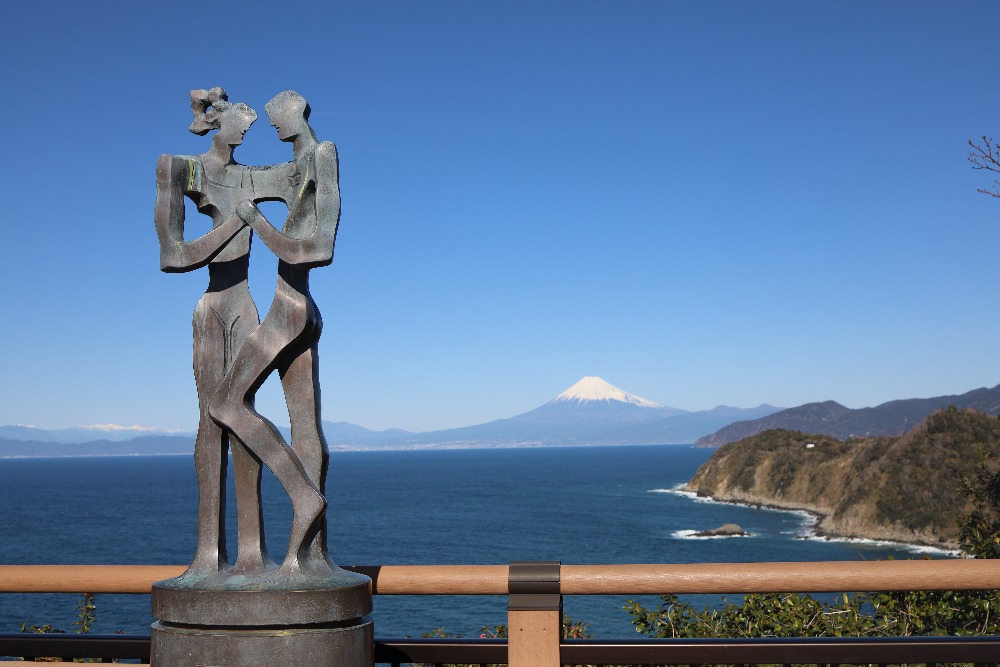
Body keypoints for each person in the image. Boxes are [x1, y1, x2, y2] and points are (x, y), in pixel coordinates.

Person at [209, 90, 339, 574]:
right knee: (306, 426)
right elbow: (247, 179)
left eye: (276, 119)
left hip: (290, 309)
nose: (273, 128)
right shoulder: (296, 164)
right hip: (298, 307)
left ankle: (304, 496)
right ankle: (308, 556)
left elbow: (314, 248)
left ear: (297, 112)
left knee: (224, 402)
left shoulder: (320, 156)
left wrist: (255, 222)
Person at [154, 88, 280, 577]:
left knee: (242, 415)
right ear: (219, 124)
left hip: (245, 305)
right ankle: (208, 553)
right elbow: (174, 256)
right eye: (242, 128)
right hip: (213, 310)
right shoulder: (180, 168)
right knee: (211, 421)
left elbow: (303, 178)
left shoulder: (250, 176)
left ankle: (252, 552)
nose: (247, 136)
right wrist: (235, 225)